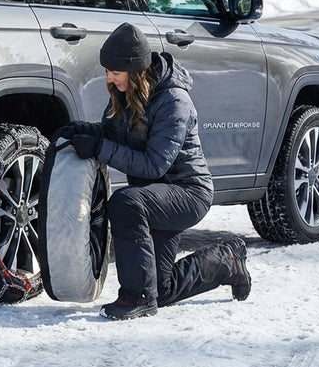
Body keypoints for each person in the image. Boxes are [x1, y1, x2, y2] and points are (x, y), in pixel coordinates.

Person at [54, 22, 251, 320]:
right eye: (107, 70)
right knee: (162, 286)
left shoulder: (174, 101)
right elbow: (112, 133)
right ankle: (227, 260)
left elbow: (155, 164)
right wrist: (82, 132)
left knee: (125, 202)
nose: (109, 77)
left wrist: (98, 148)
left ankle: (137, 298)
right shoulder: (125, 94)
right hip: (155, 196)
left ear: (135, 71)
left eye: (115, 72)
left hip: (187, 193)